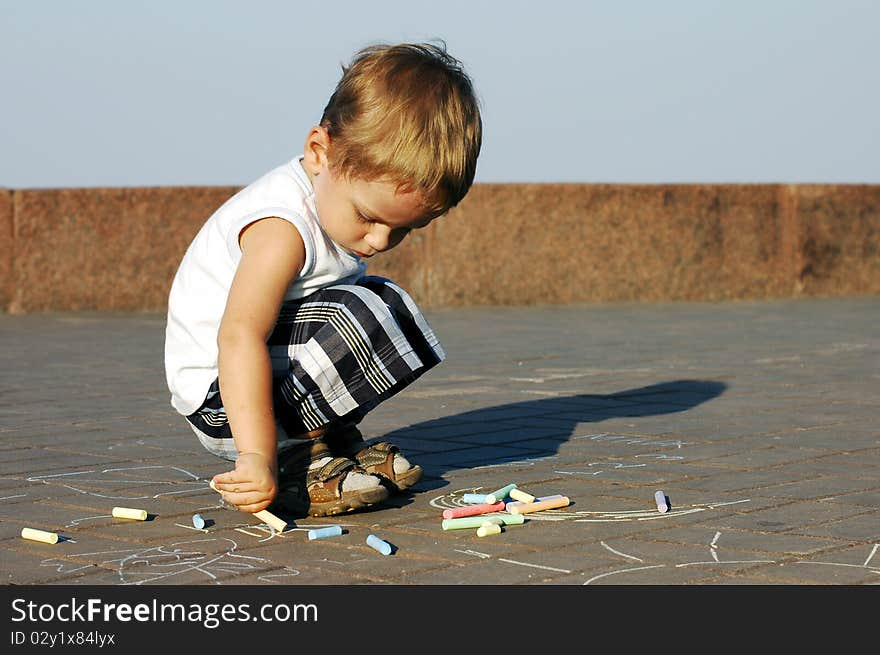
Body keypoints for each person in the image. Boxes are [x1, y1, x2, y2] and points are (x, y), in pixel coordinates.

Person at [163, 41, 482, 519]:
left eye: (405, 229)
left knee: (385, 307)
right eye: (369, 217)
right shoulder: (281, 230)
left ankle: (326, 449)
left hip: (265, 376)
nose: (378, 240)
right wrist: (255, 457)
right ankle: (295, 464)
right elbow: (237, 337)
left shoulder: (337, 204)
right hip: (222, 400)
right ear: (319, 153)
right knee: (359, 314)